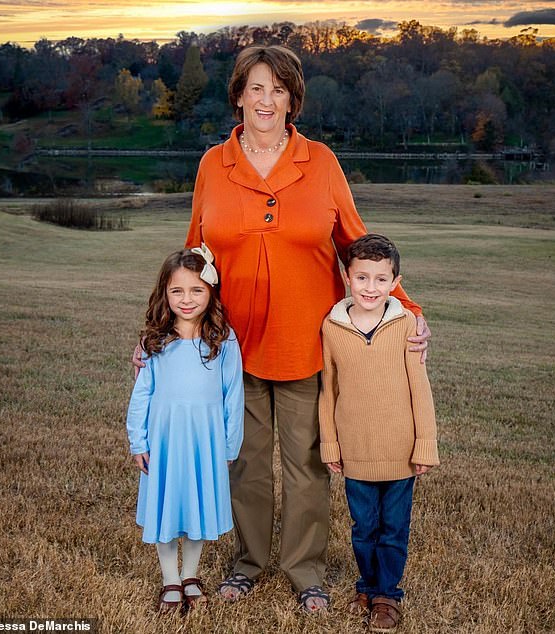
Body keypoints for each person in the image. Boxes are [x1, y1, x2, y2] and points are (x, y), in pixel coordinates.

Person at [134, 44, 431, 613]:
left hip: (305, 343)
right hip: (230, 349)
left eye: (277, 88)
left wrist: (409, 309)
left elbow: (355, 245)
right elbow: (193, 261)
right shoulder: (212, 165)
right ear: (239, 96)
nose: (265, 99)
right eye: (255, 87)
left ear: (292, 99)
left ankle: (306, 572)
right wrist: (158, 332)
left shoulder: (320, 162)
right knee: (244, 462)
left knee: (308, 466)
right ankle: (247, 564)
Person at [319, 234, 439, 632]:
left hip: (400, 450)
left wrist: (425, 444)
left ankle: (388, 594)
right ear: (347, 277)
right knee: (363, 527)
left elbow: (419, 388)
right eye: (362, 278)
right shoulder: (332, 327)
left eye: (381, 279)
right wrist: (331, 443)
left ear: (395, 281)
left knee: (393, 528)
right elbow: (328, 389)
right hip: (355, 449)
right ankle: (366, 586)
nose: (371, 288)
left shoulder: (406, 324)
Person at [126, 246, 244, 614]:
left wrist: (229, 446)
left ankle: (190, 574)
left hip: (205, 442)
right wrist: (138, 440)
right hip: (164, 440)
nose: (187, 299)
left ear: (211, 293)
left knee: (196, 510)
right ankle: (170, 580)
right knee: (167, 509)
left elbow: (233, 396)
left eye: (196, 290)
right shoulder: (154, 342)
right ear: (164, 293)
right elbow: (141, 395)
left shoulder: (223, 341)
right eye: (177, 291)